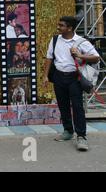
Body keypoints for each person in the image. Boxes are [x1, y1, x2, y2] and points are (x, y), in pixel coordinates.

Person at [43, 16, 100, 151]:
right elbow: (49, 58)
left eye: (61, 25)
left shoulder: (81, 42)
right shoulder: (55, 40)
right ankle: (68, 131)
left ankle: (81, 136)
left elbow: (96, 57)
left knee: (77, 106)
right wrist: (45, 76)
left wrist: (80, 55)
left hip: (75, 78)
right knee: (63, 106)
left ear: (70, 28)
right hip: (59, 76)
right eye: (59, 24)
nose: (59, 27)